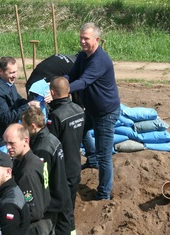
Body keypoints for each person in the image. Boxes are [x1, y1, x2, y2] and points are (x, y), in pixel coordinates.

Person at [64, 22, 120, 200]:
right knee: (78, 131)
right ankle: (92, 159)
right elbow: (72, 75)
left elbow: (83, 82)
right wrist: (59, 82)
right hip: (91, 109)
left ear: (96, 40)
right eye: (81, 38)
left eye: (86, 38)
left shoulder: (100, 61)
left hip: (106, 113)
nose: (82, 41)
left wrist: (61, 91)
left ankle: (104, 194)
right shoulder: (83, 56)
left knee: (105, 155)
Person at [21, 106, 73, 235]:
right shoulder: (52, 139)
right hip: (62, 197)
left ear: (33, 126)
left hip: (53, 205)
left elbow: (41, 180)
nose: (23, 130)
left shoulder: (41, 149)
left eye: (24, 127)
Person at [47, 76, 85, 232]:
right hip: (76, 165)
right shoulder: (78, 109)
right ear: (68, 90)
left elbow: (51, 145)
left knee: (63, 212)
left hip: (62, 170)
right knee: (70, 206)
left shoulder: (56, 116)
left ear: (52, 92)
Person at [3, 123, 52, 234]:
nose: (7, 147)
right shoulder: (34, 160)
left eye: (11, 143)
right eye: (6, 143)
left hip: (34, 228)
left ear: (25, 141)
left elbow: (33, 212)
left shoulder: (27, 172)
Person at [0, 56, 41, 137]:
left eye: (16, 72)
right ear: (0, 71)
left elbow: (17, 101)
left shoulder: (7, 81)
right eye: (11, 72)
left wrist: (33, 102)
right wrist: (28, 105)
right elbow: (7, 119)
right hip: (2, 135)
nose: (15, 76)